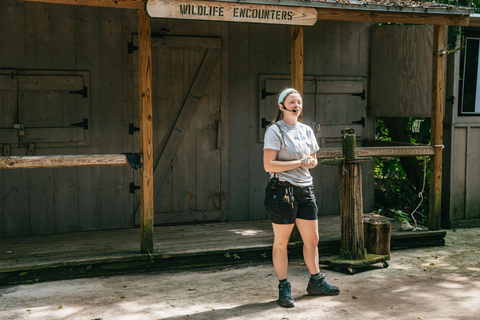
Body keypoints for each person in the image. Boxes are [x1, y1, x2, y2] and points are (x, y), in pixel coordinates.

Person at [263, 88, 340, 308]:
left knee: (313, 240)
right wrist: (299, 163)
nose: (297, 105)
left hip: (306, 190)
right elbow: (268, 165)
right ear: (281, 107)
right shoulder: (274, 131)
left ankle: (316, 281)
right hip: (283, 191)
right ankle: (284, 287)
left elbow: (313, 159)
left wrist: (309, 162)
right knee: (281, 241)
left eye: (299, 102)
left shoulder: (306, 130)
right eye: (291, 102)